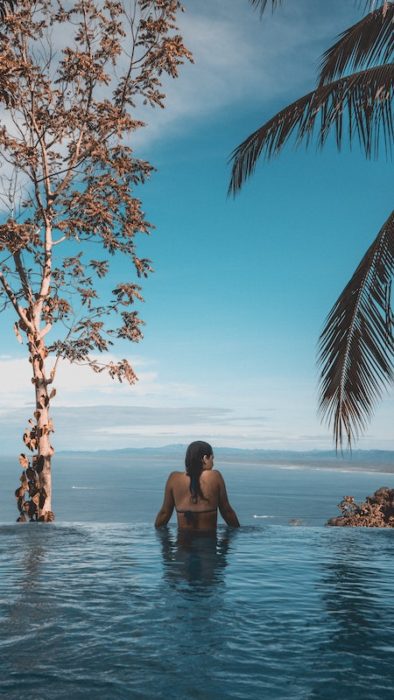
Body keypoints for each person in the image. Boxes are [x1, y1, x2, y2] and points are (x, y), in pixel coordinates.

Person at [154, 441, 240, 530]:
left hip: (183, 541)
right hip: (208, 541)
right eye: (212, 458)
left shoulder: (174, 478)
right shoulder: (215, 476)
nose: (213, 463)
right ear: (205, 458)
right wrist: (238, 531)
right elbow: (227, 512)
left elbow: (164, 513)